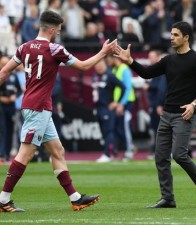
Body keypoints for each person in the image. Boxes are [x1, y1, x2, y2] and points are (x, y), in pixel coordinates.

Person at [0, 10, 117, 212]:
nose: (59, 33)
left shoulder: (24, 47)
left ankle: (75, 197)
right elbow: (82, 66)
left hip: (34, 104)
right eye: (59, 30)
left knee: (57, 151)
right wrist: (103, 52)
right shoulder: (54, 49)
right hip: (38, 107)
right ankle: (3, 199)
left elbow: (4, 71)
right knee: (25, 154)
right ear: (52, 29)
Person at [114, 21, 196, 208]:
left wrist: (194, 104)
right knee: (160, 157)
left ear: (186, 37)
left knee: (179, 154)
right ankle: (168, 198)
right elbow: (146, 73)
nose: (172, 37)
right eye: (171, 34)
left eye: (176, 35)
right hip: (167, 114)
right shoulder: (169, 60)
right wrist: (130, 61)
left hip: (185, 114)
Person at [93, 59, 126, 162]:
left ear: (105, 65)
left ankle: (108, 154)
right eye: (97, 64)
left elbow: (123, 87)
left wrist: (117, 102)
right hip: (98, 108)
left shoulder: (110, 75)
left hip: (107, 108)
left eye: (101, 64)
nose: (99, 67)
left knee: (109, 131)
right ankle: (112, 151)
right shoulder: (95, 76)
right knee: (103, 132)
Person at [106, 54, 136, 160]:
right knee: (119, 128)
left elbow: (128, 88)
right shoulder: (114, 70)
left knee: (125, 127)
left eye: (109, 59)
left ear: (115, 59)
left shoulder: (124, 69)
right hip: (118, 103)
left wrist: (121, 104)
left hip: (126, 103)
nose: (108, 62)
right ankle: (121, 150)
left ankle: (129, 150)